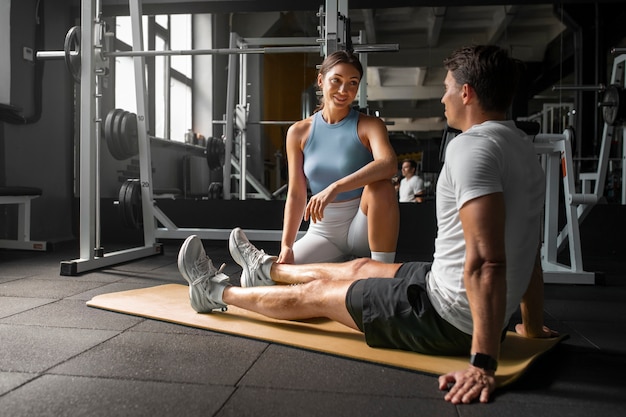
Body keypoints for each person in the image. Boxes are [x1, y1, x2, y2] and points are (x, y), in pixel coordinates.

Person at [177, 44, 558, 404]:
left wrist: (482, 364)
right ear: (322, 81)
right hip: (448, 288)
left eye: (446, 89)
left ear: (467, 93)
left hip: (447, 318)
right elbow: (529, 248)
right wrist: (533, 327)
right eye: (337, 80)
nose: (442, 98)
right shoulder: (522, 147)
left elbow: (487, 262)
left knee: (319, 296)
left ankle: (213, 292)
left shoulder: (470, 147)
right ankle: (268, 269)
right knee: (357, 269)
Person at [279, 50, 399, 265]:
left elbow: (388, 164)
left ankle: (384, 273)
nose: (344, 90)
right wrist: (286, 245)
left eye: (353, 83)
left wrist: (335, 187)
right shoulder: (298, 132)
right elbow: (296, 194)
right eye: (336, 80)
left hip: (362, 223)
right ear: (321, 80)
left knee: (381, 186)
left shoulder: (370, 125)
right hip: (323, 229)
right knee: (281, 272)